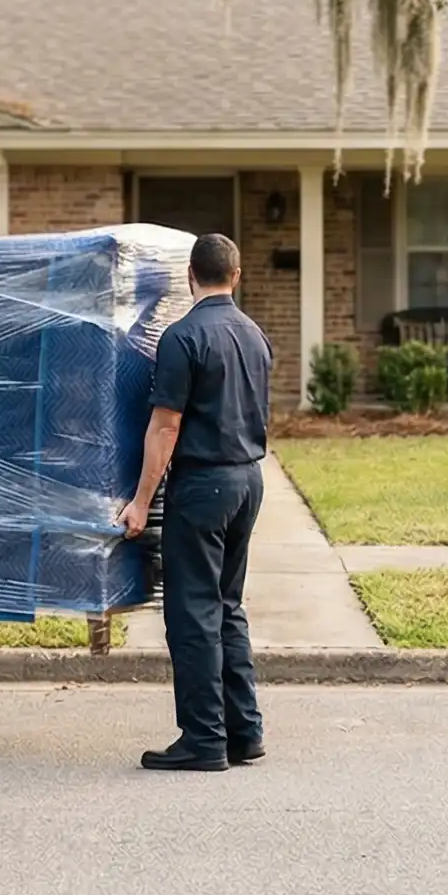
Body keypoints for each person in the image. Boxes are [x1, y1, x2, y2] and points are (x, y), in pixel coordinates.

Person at [118, 233, 272, 773]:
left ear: (190, 276)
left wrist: (140, 503)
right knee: (228, 605)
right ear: (236, 275)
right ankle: (243, 730)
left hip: (203, 486)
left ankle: (204, 738)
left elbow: (166, 425)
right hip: (248, 480)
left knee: (192, 614)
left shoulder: (183, 337)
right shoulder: (254, 335)